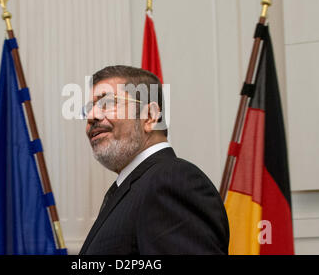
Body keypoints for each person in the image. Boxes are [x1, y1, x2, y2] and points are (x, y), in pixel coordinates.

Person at [79, 65, 229, 255]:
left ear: (149, 116)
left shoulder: (171, 181)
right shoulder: (132, 188)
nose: (92, 116)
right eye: (88, 109)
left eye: (107, 103)